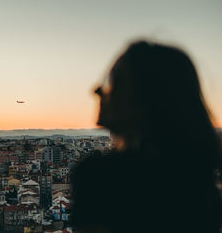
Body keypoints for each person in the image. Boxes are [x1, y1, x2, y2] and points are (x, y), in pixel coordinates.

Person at [72, 41, 221, 233]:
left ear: (146, 99)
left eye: (113, 82)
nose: (97, 90)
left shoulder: (101, 177)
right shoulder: (199, 185)